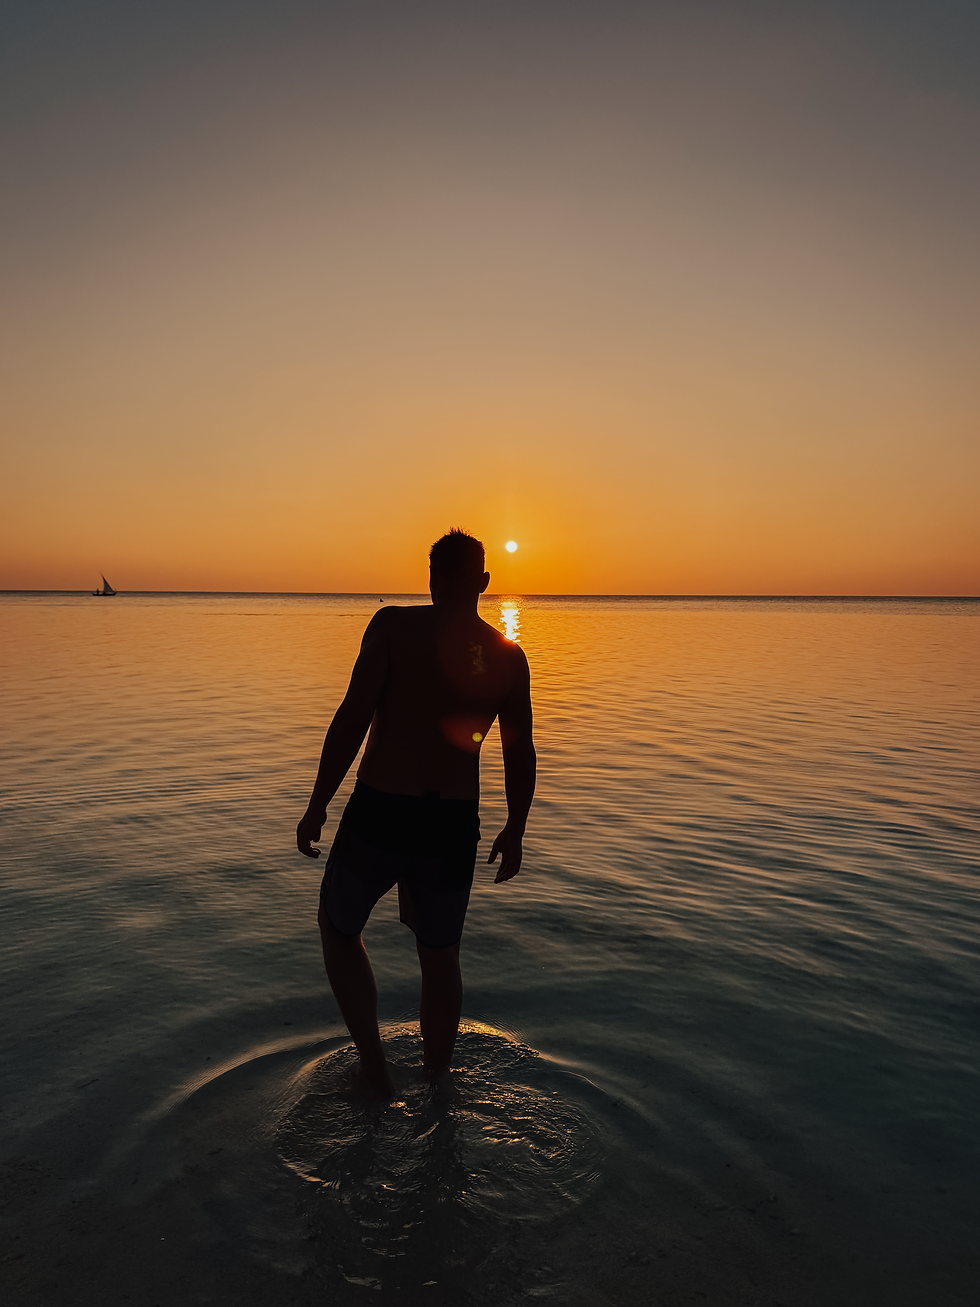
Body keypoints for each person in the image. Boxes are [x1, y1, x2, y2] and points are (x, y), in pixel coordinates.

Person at [296, 530, 536, 1100]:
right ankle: (436, 1083)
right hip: (452, 823)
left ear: (431, 578)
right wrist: (516, 827)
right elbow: (519, 751)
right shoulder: (507, 658)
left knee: (337, 927)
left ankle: (375, 1068)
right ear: (482, 581)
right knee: (440, 954)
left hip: (380, 812)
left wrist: (317, 806)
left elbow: (352, 718)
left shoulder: (392, 628)